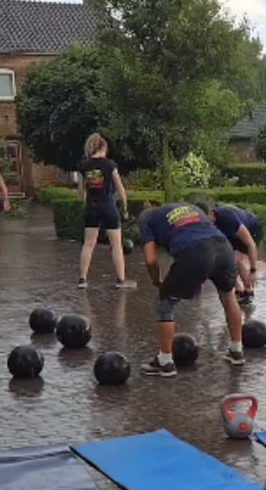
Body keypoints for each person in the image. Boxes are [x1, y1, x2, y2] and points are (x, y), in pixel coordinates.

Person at [137, 203, 244, 377]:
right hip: (224, 248)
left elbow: (150, 260)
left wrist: (157, 281)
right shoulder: (189, 207)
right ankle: (236, 351)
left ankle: (165, 362)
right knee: (228, 297)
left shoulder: (146, 220)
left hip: (196, 251)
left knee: (163, 304)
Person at [76, 133, 134, 289]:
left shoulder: (83, 166)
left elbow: (81, 191)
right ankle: (121, 280)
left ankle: (82, 280)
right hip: (108, 206)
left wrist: (85, 204)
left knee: (88, 244)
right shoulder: (109, 165)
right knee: (116, 244)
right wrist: (125, 205)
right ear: (104, 148)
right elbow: (120, 187)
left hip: (91, 207)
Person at [196, 202, 262, 306]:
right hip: (232, 233)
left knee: (236, 258)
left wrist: (253, 270)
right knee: (223, 259)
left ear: (210, 213)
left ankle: (248, 291)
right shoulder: (209, 224)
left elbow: (250, 244)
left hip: (253, 229)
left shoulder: (227, 217)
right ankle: (239, 290)